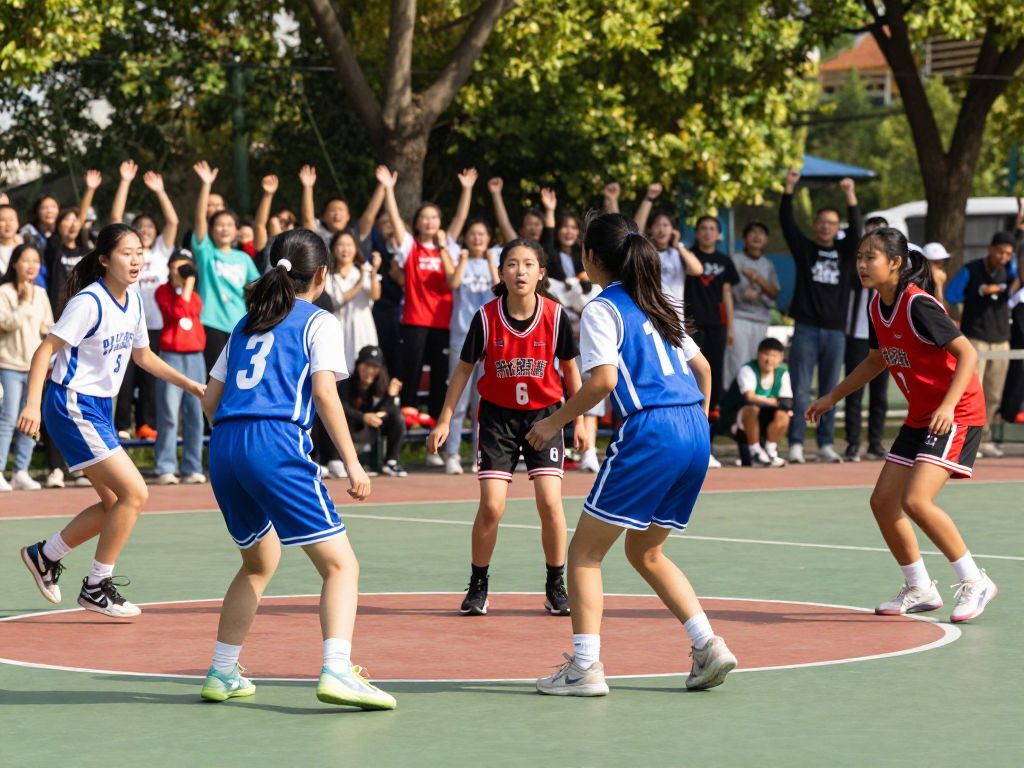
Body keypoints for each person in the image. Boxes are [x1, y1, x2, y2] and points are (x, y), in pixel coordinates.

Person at [529, 213, 735, 697]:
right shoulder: (661, 304)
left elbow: (603, 381)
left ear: (593, 258)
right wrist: (695, 422)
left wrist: (553, 421)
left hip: (654, 429)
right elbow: (702, 368)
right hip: (692, 429)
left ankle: (585, 668)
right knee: (646, 549)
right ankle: (707, 644)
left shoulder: (603, 309)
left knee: (583, 553)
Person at [199, 229, 394, 710]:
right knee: (341, 565)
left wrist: (235, 441)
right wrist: (353, 463)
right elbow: (326, 395)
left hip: (224, 444)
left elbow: (209, 400)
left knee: (258, 563)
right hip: (274, 441)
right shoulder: (319, 321)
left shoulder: (246, 324)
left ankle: (222, 671)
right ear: (322, 275)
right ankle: (337, 670)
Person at [807, 228, 998, 623]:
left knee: (915, 501)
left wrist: (947, 405)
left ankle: (975, 581)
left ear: (895, 263)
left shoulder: (919, 306)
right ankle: (920, 587)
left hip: (956, 410)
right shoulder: (876, 305)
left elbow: (967, 354)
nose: (861, 264)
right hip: (922, 415)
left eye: (870, 257)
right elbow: (876, 361)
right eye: (859, 256)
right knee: (882, 502)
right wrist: (832, 397)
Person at [17, 224, 206, 617]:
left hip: (98, 407)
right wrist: (31, 405)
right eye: (126, 253)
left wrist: (189, 383)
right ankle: (97, 585)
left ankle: (45, 556)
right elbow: (44, 351)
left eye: (140, 252)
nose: (136, 259)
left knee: (116, 502)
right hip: (72, 403)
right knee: (136, 493)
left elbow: (144, 357)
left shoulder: (135, 300)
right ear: (104, 259)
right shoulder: (89, 302)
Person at [428, 238, 585, 617]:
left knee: (550, 502)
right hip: (497, 418)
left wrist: (578, 420)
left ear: (541, 273)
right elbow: (462, 371)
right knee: (492, 507)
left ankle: (555, 584)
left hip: (544, 419)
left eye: (529, 264)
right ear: (500, 273)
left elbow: (570, 370)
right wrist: (446, 418)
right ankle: (478, 584)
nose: (520, 271)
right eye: (512, 264)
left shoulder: (555, 315)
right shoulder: (485, 317)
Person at [779, 171, 862, 464]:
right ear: (815, 226)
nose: (826, 227)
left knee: (831, 391)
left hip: (835, 332)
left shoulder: (845, 252)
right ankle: (797, 443)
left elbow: (858, 231)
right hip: (806, 329)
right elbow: (787, 224)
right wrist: (789, 188)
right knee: (801, 390)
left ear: (838, 228)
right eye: (822, 222)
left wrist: (850, 194)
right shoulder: (806, 250)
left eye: (832, 223)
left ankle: (825, 443)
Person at [376, 165, 457, 426]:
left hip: (442, 321)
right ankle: (409, 411)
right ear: (418, 222)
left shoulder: (448, 247)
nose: (429, 221)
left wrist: (444, 246)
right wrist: (389, 189)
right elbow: (395, 219)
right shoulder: (411, 246)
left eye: (434, 217)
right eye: (425, 217)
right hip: (414, 319)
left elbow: (451, 278)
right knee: (411, 369)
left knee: (440, 373)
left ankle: (434, 419)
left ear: (440, 222)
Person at [111, 162, 179, 440]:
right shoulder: (128, 252)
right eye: (140, 227)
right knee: (125, 377)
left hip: (157, 323)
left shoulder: (163, 250)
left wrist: (160, 191)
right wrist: (125, 182)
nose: (146, 230)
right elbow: (116, 219)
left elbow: (173, 221)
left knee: (150, 378)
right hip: (128, 321)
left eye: (150, 226)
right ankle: (122, 425)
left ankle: (145, 424)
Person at [443, 170, 500, 475]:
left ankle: (480, 454)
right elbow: (452, 282)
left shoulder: (497, 258)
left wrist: (492, 262)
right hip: (461, 337)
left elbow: (497, 289)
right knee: (459, 399)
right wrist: (466, 189)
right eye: (473, 233)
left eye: (482, 234)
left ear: (489, 239)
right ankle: (452, 453)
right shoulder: (458, 256)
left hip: (490, 341)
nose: (477, 238)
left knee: (483, 403)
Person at [944, 231, 1017, 458]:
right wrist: (977, 292)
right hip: (974, 339)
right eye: (1000, 251)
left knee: (993, 393)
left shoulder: (1011, 272)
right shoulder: (972, 269)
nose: (1003, 257)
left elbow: (1018, 272)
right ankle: (963, 439)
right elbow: (951, 294)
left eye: (1008, 253)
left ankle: (983, 439)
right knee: (969, 392)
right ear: (989, 248)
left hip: (1002, 340)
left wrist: (1019, 226)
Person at [191, 161, 261, 374]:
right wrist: (206, 185)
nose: (224, 229)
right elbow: (199, 219)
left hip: (238, 324)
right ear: (212, 230)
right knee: (213, 379)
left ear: (236, 231)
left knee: (233, 377)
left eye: (229, 225)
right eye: (220, 225)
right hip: (210, 323)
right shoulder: (206, 253)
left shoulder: (243, 258)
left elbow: (257, 287)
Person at [685, 215, 739, 468]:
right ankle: (687, 442)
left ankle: (708, 443)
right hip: (690, 325)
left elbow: (727, 294)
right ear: (696, 232)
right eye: (703, 228)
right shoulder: (686, 255)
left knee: (713, 382)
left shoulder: (724, 261)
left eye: (712, 229)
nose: (707, 233)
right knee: (690, 380)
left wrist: (730, 326)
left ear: (719, 235)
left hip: (717, 327)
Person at [0, 244, 54, 491]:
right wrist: (22, 302)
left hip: (35, 369)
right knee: (8, 418)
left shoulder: (41, 293)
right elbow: (6, 324)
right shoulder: (5, 292)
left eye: (36, 261)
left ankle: (21, 470)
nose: (32, 265)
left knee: (31, 421)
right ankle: (0, 470)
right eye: (26, 260)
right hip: (9, 365)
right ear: (14, 264)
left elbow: (48, 328)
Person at [153, 252, 207, 484]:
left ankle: (192, 466)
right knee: (169, 413)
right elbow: (177, 312)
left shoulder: (194, 295)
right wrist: (186, 285)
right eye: (176, 267)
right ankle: (166, 466)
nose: (180, 273)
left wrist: (190, 284)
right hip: (171, 357)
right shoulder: (162, 292)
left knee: (195, 414)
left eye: (185, 268)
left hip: (195, 356)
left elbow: (189, 310)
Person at [843, 215, 891, 462]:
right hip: (857, 335)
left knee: (879, 395)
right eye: (870, 231)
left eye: (880, 232)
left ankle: (875, 442)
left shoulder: (891, 268)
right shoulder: (857, 264)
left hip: (883, 338)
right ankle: (852, 443)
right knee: (854, 391)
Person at [322, 345, 407, 478]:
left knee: (397, 417)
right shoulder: (346, 384)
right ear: (358, 365)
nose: (369, 371)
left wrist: (390, 396)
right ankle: (333, 460)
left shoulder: (383, 385)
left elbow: (384, 412)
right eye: (366, 365)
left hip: (371, 430)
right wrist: (363, 417)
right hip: (349, 429)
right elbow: (341, 408)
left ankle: (391, 461)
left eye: (374, 367)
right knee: (331, 416)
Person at [719, 337, 792, 467]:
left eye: (774, 356)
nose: (769, 360)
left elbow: (786, 402)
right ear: (758, 354)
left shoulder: (782, 373)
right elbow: (750, 397)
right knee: (752, 409)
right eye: (766, 354)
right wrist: (773, 401)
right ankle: (755, 452)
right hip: (735, 420)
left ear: (780, 358)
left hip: (762, 420)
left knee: (784, 415)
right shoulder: (747, 370)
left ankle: (770, 450)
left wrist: (775, 403)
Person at [725, 222, 780, 389]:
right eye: (752, 232)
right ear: (744, 238)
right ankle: (731, 408)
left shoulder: (768, 264)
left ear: (767, 239)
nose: (757, 236)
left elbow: (774, 292)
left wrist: (756, 278)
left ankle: (752, 406)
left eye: (761, 233)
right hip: (739, 318)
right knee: (736, 365)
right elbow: (726, 291)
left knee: (757, 366)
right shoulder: (735, 260)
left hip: (761, 320)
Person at [323, 231, 381, 370]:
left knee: (364, 369)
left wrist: (373, 274)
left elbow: (376, 295)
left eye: (349, 245)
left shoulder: (364, 272)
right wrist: (360, 282)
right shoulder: (328, 276)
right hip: (339, 328)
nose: (345, 249)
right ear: (333, 248)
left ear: (356, 248)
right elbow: (336, 301)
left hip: (362, 328)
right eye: (341, 245)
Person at [299, 164, 355, 245]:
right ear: (324, 216)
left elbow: (368, 218)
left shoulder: (355, 235)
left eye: (341, 210)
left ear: (348, 216)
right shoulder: (318, 235)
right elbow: (308, 221)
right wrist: (308, 187)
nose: (337, 214)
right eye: (333, 210)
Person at [488, 177, 544, 243]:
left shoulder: (551, 248)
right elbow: (504, 225)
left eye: (537, 224)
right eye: (529, 224)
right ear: (521, 230)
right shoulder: (519, 246)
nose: (533, 228)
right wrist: (496, 193)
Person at [0, 203, 23, 274]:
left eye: (11, 220)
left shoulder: (26, 247)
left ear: (18, 223)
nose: (8, 224)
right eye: (2, 220)